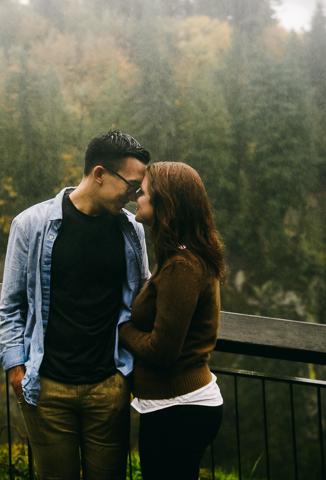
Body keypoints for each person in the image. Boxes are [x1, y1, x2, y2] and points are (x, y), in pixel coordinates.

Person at [0, 130, 151, 480]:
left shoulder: (132, 231)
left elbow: (143, 297)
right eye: (130, 185)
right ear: (99, 174)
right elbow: (11, 306)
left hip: (109, 387)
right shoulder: (31, 225)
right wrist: (15, 370)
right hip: (46, 388)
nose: (134, 196)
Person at [119, 162, 225, 480]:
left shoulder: (183, 266)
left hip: (180, 410)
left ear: (164, 202)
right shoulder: (179, 256)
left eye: (144, 192)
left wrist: (122, 329)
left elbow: (163, 350)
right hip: (174, 408)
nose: (136, 197)